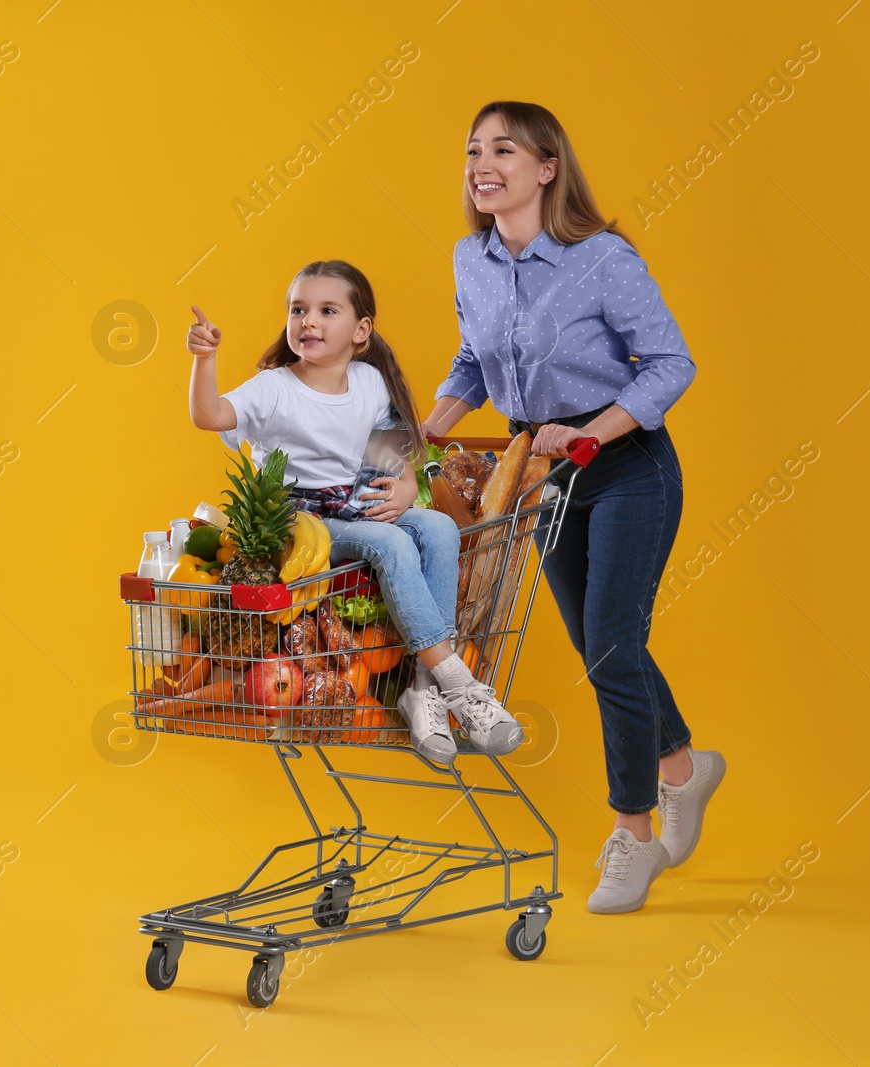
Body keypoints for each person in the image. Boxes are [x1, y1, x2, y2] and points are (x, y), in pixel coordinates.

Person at [422, 102, 726, 914]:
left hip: (627, 467)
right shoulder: (470, 259)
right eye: (473, 150)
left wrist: (592, 432)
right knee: (604, 648)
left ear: (548, 166)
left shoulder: (602, 258)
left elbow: (670, 363)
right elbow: (473, 357)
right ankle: (684, 770)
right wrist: (427, 428)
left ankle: (632, 834)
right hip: (539, 477)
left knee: (608, 650)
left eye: (504, 149)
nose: (483, 164)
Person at [186, 260, 523, 761]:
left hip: (355, 503)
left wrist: (407, 490)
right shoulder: (274, 387)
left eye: (327, 310)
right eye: (298, 310)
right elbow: (208, 415)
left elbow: (392, 456)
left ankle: (424, 692)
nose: (308, 321)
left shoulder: (369, 382)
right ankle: (459, 683)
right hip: (301, 524)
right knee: (387, 543)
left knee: (437, 527)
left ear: (360, 331)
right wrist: (205, 358)